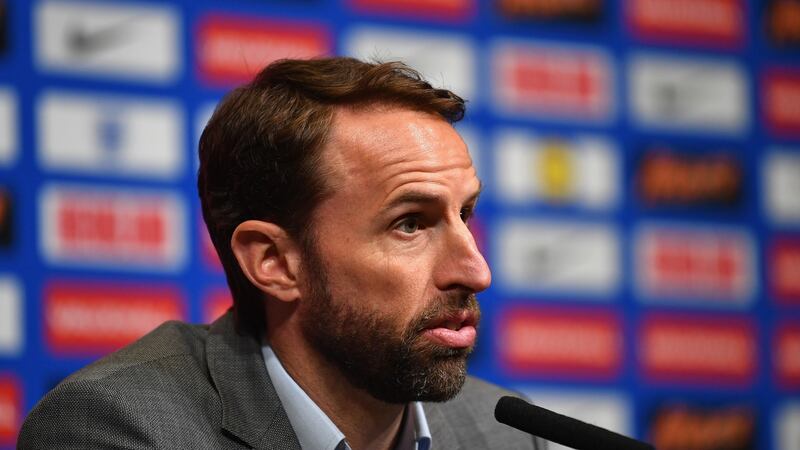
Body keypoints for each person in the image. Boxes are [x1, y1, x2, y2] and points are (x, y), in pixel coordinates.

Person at [19, 57, 540, 449]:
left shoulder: (507, 433)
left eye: (465, 214)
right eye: (409, 224)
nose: (476, 270)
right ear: (273, 262)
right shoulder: (119, 427)